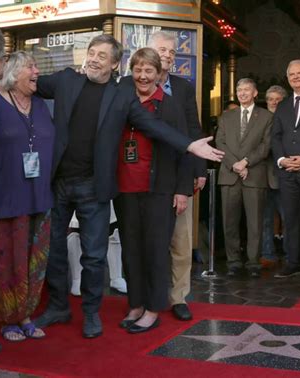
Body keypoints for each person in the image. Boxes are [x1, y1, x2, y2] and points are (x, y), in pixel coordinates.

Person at [32, 34, 224, 339]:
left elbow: (155, 127)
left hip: (97, 185)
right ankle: (58, 306)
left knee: (94, 255)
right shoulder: (68, 80)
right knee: (54, 249)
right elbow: (29, 82)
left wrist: (190, 147)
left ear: (114, 64)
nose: (94, 59)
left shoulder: (122, 95)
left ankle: (92, 313)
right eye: (91, 53)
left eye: (102, 56)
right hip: (62, 183)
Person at [114, 48, 193, 334]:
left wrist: (182, 190)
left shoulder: (169, 105)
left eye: (149, 71)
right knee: (131, 250)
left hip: (159, 190)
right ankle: (135, 304)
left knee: (156, 251)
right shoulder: (121, 100)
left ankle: (152, 308)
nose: (143, 76)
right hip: (125, 190)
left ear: (159, 74)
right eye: (137, 70)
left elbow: (185, 147)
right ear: (130, 72)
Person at [0, 51, 55, 342]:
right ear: (12, 72)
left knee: (35, 259)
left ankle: (26, 314)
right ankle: (8, 318)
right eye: (31, 67)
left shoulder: (41, 105)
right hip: (7, 197)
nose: (37, 72)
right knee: (8, 260)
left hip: (40, 195)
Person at [147, 31, 207, 322]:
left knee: (181, 242)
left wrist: (198, 171)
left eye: (172, 51)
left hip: (179, 172)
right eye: (162, 49)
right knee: (149, 242)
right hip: (145, 175)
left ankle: (178, 297)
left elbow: (193, 130)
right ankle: (149, 296)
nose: (168, 55)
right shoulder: (133, 84)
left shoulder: (183, 87)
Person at [216, 78, 273, 277]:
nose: (242, 93)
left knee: (254, 222)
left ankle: (253, 263)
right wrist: (235, 164)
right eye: (239, 90)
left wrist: (246, 162)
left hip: (254, 175)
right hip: (230, 175)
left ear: (255, 93)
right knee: (229, 222)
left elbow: (266, 146)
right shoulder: (226, 117)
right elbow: (220, 144)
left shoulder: (266, 116)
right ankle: (233, 262)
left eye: (246, 90)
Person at [273, 60, 300, 281]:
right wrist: (282, 159)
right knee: (291, 219)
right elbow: (276, 136)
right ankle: (293, 262)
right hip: (288, 172)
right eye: (291, 74)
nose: (296, 77)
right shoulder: (284, 105)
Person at [261, 85, 288, 268]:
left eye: (277, 99)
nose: (273, 102)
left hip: (285, 177)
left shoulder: (290, 119)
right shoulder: (260, 119)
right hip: (262, 178)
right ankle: (267, 254)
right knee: (265, 220)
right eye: (270, 99)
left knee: (289, 219)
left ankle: (290, 256)